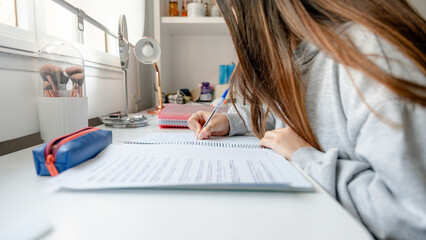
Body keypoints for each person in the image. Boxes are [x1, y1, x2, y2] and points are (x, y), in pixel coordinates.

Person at [188, 0, 426, 239]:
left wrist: (305, 158)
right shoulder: (299, 54)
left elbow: (412, 215)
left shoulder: (369, 58)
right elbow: (284, 117)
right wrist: (233, 122)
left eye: (229, 8)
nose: (233, 22)